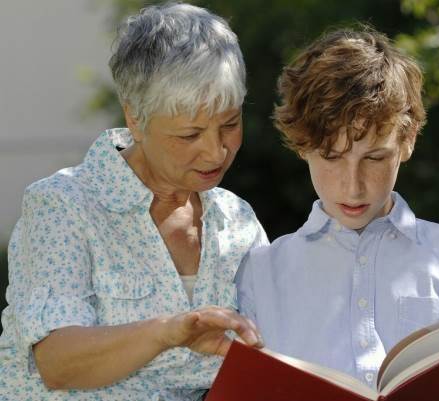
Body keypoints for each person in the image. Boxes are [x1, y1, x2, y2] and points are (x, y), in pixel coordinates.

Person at [236, 27, 439, 401]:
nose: (353, 186)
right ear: (301, 147)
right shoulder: (261, 274)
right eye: (331, 158)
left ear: (407, 142)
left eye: (374, 158)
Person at [0, 3, 266, 400]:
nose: (216, 152)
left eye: (229, 124)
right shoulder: (63, 205)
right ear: (136, 119)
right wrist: (168, 331)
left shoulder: (237, 219)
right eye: (190, 134)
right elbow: (57, 363)